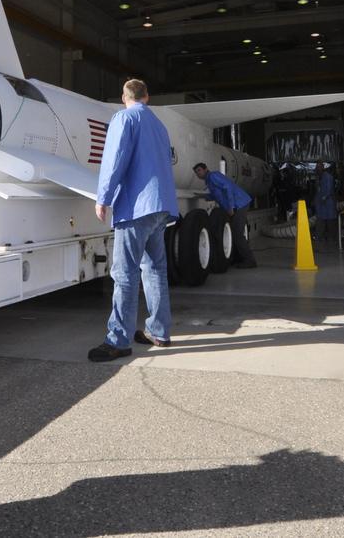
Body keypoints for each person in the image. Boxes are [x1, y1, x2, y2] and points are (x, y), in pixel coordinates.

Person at [89, 79, 177, 361]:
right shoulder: (160, 126)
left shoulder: (124, 118)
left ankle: (118, 340)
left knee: (125, 274)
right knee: (154, 270)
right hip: (161, 206)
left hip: (136, 207)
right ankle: (159, 332)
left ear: (123, 97)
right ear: (147, 97)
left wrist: (103, 197)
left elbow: (115, 158)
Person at [191, 162, 257, 268]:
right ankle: (239, 258)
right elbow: (217, 195)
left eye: (199, 170)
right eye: (196, 172)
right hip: (237, 204)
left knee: (237, 233)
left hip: (239, 204)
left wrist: (231, 206)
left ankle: (250, 260)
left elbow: (228, 187)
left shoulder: (213, 176)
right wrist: (203, 196)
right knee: (234, 232)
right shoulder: (209, 181)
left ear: (205, 169)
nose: (198, 174)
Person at [314, 160, 338, 247]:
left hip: (328, 203)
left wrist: (325, 197)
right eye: (317, 167)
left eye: (319, 167)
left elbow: (328, 189)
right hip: (321, 203)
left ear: (322, 168)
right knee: (321, 221)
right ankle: (320, 237)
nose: (317, 169)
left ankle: (332, 238)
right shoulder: (319, 178)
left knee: (330, 221)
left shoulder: (328, 177)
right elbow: (318, 190)